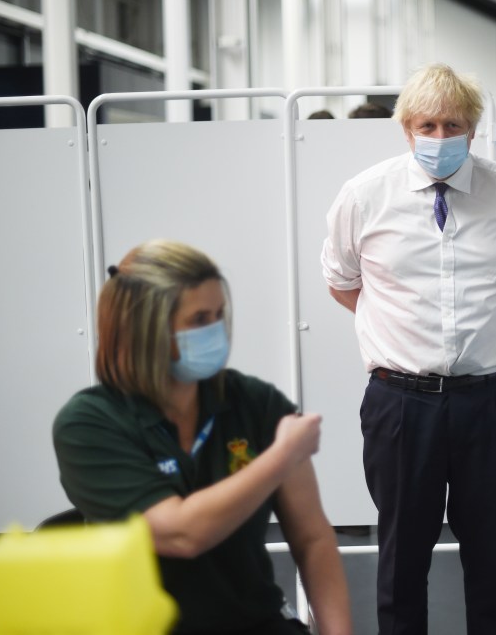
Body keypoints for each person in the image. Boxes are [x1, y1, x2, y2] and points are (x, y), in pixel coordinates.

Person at [321, 63, 496, 635]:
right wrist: (405, 332)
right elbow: (342, 282)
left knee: (489, 552)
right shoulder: (364, 196)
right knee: (401, 555)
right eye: (426, 125)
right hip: (400, 403)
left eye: (451, 124)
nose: (438, 137)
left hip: (491, 400)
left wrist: (482, 330)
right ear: (406, 128)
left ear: (473, 129)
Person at [53, 240, 353, 635]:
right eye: (198, 320)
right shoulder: (90, 423)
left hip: (253, 623)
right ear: (145, 330)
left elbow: (312, 538)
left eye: (219, 315)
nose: (215, 331)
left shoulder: (254, 403)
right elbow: (182, 534)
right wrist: (280, 458)